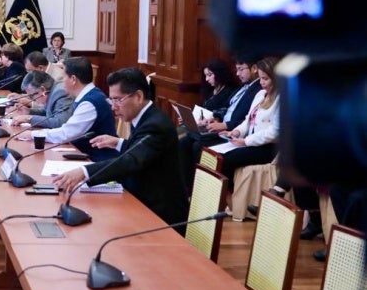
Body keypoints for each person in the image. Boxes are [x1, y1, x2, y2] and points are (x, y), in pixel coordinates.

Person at [53, 67, 188, 227]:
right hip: (141, 201)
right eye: (111, 100)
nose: (113, 107)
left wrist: (84, 172)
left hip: (160, 215)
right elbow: (143, 150)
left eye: (118, 100)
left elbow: (131, 160)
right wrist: (118, 142)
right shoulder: (145, 117)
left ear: (138, 96)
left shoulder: (155, 125)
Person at [178, 55, 262, 189]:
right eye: (236, 70)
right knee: (184, 141)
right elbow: (229, 109)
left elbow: (249, 118)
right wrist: (215, 117)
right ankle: (186, 188)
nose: (237, 73)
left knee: (197, 145)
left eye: (241, 69)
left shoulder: (258, 90)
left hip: (233, 132)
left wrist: (225, 125)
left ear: (254, 69)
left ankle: (200, 189)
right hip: (224, 127)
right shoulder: (244, 88)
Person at [42, 57, 118, 162]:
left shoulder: (90, 103)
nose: (62, 80)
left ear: (73, 79)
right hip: (86, 155)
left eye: (64, 76)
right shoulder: (89, 95)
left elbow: (66, 133)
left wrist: (33, 135)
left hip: (97, 161)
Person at [219, 57, 280, 185]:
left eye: (265, 79)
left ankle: (228, 196)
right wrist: (236, 132)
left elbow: (275, 132)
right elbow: (248, 120)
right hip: (251, 142)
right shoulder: (260, 95)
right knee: (216, 155)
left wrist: (246, 141)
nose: (261, 83)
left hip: (268, 148)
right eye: (260, 78)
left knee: (227, 159)